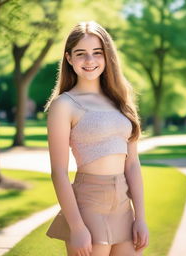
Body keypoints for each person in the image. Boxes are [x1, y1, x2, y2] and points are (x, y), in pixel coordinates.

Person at [44, 20, 149, 256]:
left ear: (107, 56)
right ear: (69, 58)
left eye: (97, 53)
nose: (90, 61)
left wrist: (140, 217)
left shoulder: (121, 102)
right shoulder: (64, 105)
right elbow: (58, 172)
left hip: (124, 206)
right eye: (81, 54)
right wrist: (77, 226)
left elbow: (132, 164)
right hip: (88, 205)